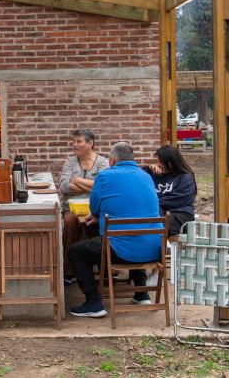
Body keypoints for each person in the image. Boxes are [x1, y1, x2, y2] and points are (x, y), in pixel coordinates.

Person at [68, 142, 161, 318]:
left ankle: (93, 303)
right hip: (154, 248)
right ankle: (142, 293)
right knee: (135, 231)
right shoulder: (146, 176)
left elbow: (94, 208)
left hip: (121, 251)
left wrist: (97, 215)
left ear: (111, 160)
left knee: (76, 251)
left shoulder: (105, 176)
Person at [58, 129, 109, 284]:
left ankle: (105, 271)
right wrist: (92, 186)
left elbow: (104, 187)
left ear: (90, 143)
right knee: (70, 222)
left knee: (102, 223)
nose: (74, 145)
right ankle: (69, 272)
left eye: (78, 141)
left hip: (95, 208)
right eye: (74, 142)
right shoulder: (70, 162)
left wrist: (77, 180)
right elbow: (64, 186)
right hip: (72, 208)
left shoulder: (103, 162)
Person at [143, 144, 197, 237]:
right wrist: (148, 169)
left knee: (153, 223)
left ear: (171, 162)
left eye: (161, 162)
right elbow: (139, 180)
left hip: (179, 214)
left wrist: (153, 202)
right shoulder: (156, 174)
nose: (159, 164)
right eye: (158, 161)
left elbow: (176, 200)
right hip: (159, 212)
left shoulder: (185, 177)